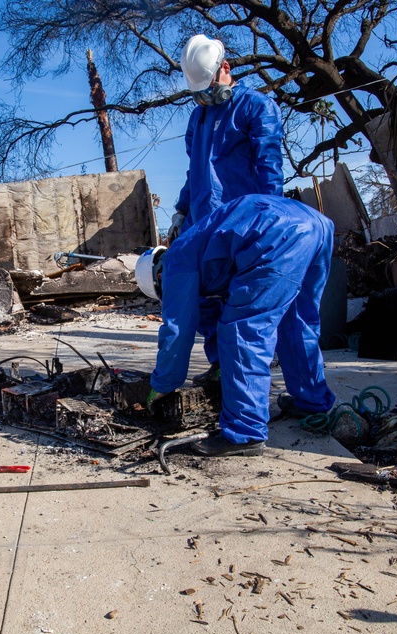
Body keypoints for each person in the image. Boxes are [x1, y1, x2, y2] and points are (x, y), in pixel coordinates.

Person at [136, 194, 336, 457]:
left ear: (157, 276)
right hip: (317, 225)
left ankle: (245, 432)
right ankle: (312, 401)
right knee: (297, 322)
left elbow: (177, 330)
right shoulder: (198, 247)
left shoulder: (176, 260)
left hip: (274, 231)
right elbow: (209, 309)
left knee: (242, 331)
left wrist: (162, 385)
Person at [171, 34, 285, 378]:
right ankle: (221, 364)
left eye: (209, 86)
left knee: (245, 295)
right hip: (203, 221)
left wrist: (274, 214)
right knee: (203, 295)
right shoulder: (198, 118)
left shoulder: (257, 107)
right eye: (199, 91)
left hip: (244, 219)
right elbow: (196, 171)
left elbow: (269, 166)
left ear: (226, 68)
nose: (205, 96)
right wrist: (181, 209)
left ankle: (257, 359)